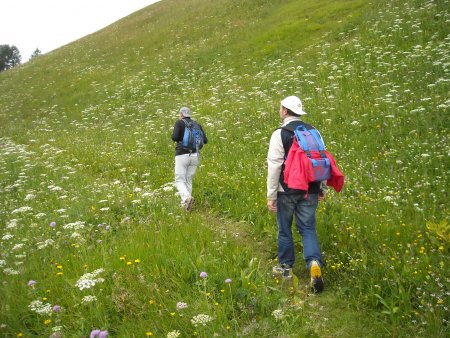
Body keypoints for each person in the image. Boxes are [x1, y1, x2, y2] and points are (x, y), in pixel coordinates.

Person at [267, 95, 326, 293]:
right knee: (308, 228)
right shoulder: (313, 131)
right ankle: (314, 263)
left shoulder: (279, 134)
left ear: (284, 111)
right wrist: (322, 187)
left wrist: (271, 195)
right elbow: (321, 158)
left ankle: (286, 268)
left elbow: (274, 165)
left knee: (285, 228)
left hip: (287, 190)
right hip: (311, 188)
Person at [171, 106, 208, 211]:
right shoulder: (197, 124)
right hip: (195, 156)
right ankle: (186, 207)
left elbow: (174, 137)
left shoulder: (179, 123)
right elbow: (205, 140)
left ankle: (186, 198)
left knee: (179, 180)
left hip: (182, 155)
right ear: (189, 114)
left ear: (181, 114)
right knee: (188, 179)